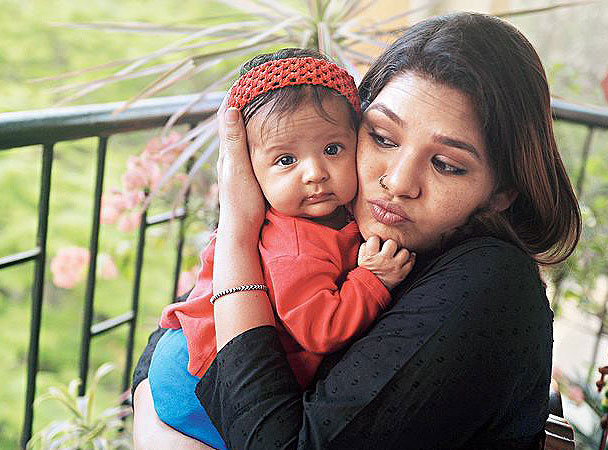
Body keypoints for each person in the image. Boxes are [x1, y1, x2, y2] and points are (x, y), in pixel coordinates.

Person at [133, 12, 581, 450]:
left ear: (501, 191)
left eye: (446, 164)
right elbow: (172, 337)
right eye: (383, 138)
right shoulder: (334, 219)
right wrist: (149, 415)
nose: (399, 182)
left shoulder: (486, 283)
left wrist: (236, 234)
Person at [147, 48, 415, 450]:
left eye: (332, 149)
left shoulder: (331, 214)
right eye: (286, 159)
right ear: (250, 172)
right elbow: (320, 328)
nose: (314, 173)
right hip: (197, 384)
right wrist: (371, 280)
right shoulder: (292, 247)